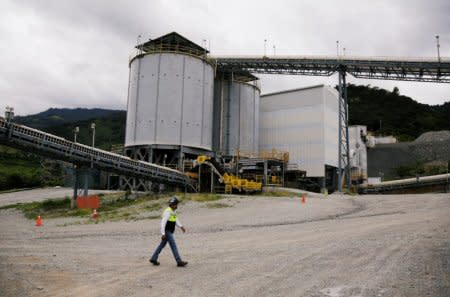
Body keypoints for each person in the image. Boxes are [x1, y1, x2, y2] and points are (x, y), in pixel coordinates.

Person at [150, 196, 188, 267]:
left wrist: (181, 226)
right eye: (176, 204)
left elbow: (175, 219)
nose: (177, 206)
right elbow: (163, 223)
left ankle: (153, 258)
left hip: (170, 231)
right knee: (173, 245)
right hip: (167, 231)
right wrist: (163, 233)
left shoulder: (173, 211)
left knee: (161, 245)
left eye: (176, 204)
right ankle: (179, 261)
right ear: (172, 205)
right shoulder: (168, 211)